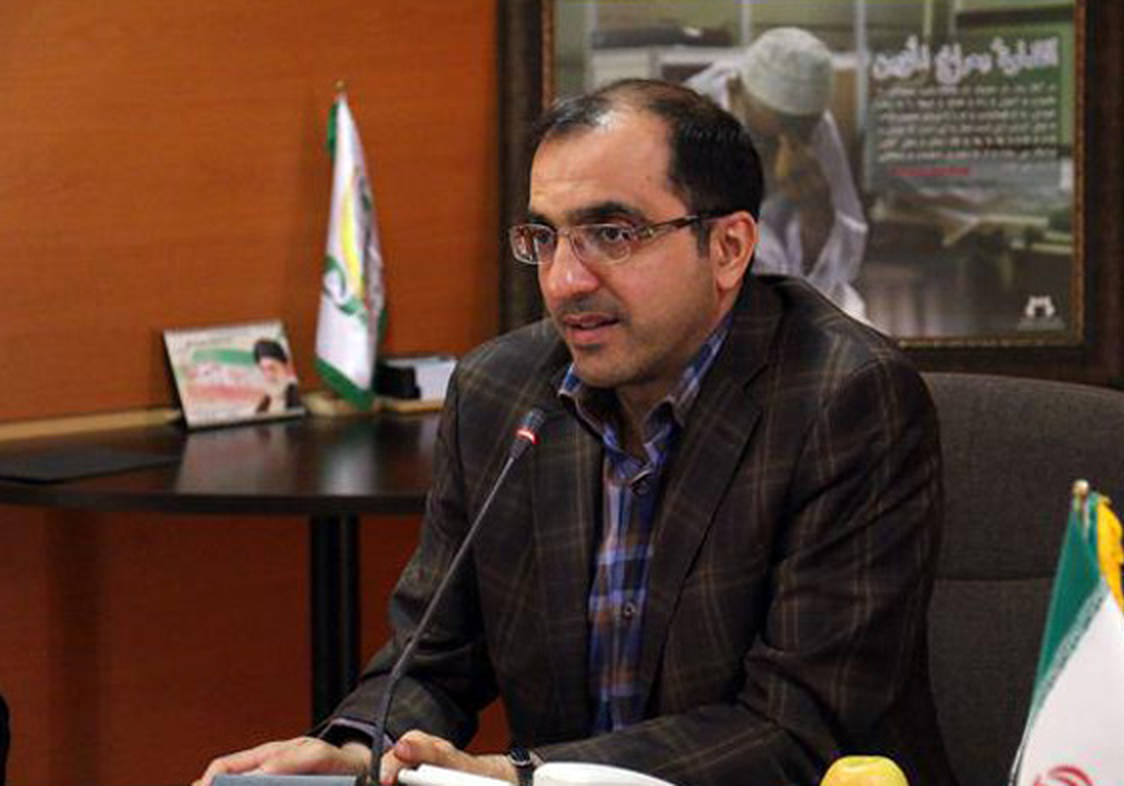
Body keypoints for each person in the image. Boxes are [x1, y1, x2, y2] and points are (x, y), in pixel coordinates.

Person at [197, 79, 953, 786]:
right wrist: (357, 751)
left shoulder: (843, 398)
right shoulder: (500, 391)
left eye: (612, 234)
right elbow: (432, 656)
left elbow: (798, 728)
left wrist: (528, 776)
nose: (564, 281)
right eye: (545, 237)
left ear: (728, 248)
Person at [688, 27, 871, 322]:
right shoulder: (692, 120)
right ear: (736, 92)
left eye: (801, 135)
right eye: (769, 140)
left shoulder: (812, 125)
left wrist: (815, 210)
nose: (789, 149)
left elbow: (840, 264)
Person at [252, 338, 302, 414]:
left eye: (272, 368)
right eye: (263, 370)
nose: (269, 376)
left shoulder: (300, 397)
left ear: (286, 367)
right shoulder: (262, 408)